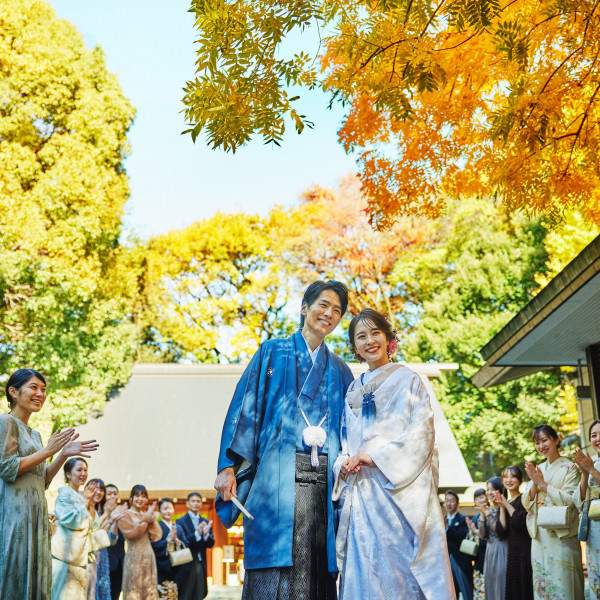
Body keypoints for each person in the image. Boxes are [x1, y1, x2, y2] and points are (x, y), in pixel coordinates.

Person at [215, 280, 354, 600]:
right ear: (304, 308)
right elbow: (244, 408)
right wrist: (228, 466)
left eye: (337, 310)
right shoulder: (271, 352)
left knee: (318, 571)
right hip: (276, 480)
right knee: (272, 575)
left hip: (322, 485)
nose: (329, 314)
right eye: (323, 304)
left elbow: (353, 429)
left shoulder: (340, 370)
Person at [333, 308, 454, 599]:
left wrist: (373, 456)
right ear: (355, 347)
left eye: (376, 332)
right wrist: (342, 463)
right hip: (362, 493)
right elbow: (344, 442)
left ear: (389, 339)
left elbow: (422, 435)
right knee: (364, 566)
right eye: (361, 336)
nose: (369, 340)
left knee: (399, 568)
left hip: (397, 491)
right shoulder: (353, 388)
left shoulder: (408, 380)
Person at [0, 368, 98, 600]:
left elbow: (41, 480)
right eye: (33, 387)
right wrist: (47, 451)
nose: (40, 394)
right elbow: (7, 468)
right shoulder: (6, 422)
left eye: (43, 389)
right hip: (15, 515)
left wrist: (62, 454)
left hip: (37, 513)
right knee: (14, 576)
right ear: (13, 392)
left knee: (35, 579)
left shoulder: (35, 434)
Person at [522, 424, 584, 599]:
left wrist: (543, 484)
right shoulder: (539, 468)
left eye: (544, 440)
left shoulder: (570, 467)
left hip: (562, 534)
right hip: (540, 535)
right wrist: (535, 482)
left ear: (557, 439)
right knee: (543, 584)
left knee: (564, 583)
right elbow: (527, 503)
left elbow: (572, 499)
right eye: (537, 442)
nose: (541, 446)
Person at [51, 458, 98, 600]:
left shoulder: (80, 496)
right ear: (68, 474)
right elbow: (68, 519)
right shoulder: (65, 494)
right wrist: (85, 501)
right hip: (66, 556)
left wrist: (90, 504)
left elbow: (93, 528)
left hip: (79, 556)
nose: (83, 473)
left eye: (85, 470)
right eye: (79, 470)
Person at [117, 484, 162, 600]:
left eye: (143, 496)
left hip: (149, 556)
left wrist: (150, 520)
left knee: (149, 591)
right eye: (137, 496)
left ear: (146, 499)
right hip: (134, 557)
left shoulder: (145, 514)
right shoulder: (125, 515)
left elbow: (157, 536)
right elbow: (132, 534)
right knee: (134, 590)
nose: (140, 499)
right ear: (131, 498)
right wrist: (146, 519)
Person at [495, 466, 533, 600]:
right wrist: (501, 507)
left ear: (521, 480)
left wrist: (506, 505)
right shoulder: (505, 502)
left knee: (525, 587)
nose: (509, 480)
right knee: (514, 588)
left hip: (525, 550)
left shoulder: (524, 499)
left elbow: (521, 523)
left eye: (513, 476)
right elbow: (501, 532)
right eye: (505, 477)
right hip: (512, 552)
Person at [573, 420, 600, 599]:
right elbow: (581, 499)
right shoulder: (595, 463)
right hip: (594, 532)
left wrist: (591, 469)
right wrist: (585, 472)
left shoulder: (594, 465)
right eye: (593, 435)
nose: (597, 439)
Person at [176, 492, 213, 600]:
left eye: (198, 501)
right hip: (187, 564)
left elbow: (211, 544)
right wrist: (197, 533)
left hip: (201, 564)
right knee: (186, 595)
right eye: (193, 501)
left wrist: (206, 535)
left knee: (200, 595)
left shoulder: (205, 521)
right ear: (187, 503)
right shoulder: (180, 521)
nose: (196, 503)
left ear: (201, 504)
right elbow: (185, 541)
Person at [477, 477, 508, 600]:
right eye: (487, 489)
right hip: (489, 551)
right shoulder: (486, 509)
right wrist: (482, 514)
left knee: (502, 584)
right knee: (490, 584)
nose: (489, 493)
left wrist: (487, 513)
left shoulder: (504, 508)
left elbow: (499, 531)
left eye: (493, 489)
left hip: (502, 549)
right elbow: (482, 535)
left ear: (500, 491)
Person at [153, 498, 189, 599]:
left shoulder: (178, 527)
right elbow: (153, 546)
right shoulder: (156, 526)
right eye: (164, 509)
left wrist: (177, 541)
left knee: (174, 594)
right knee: (162, 594)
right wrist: (167, 540)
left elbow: (186, 544)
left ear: (174, 510)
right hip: (161, 566)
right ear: (159, 511)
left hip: (176, 567)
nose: (168, 511)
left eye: (170, 508)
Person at [444, 490, 473, 600]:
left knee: (466, 590)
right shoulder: (442, 519)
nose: (449, 504)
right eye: (447, 501)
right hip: (445, 560)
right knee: (450, 592)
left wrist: (447, 527)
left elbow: (460, 537)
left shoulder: (463, 519)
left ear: (457, 503)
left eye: (452, 501)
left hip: (460, 560)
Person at [465, 489, 488, 600]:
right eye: (476, 498)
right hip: (479, 559)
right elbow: (472, 541)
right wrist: (470, 531)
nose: (479, 500)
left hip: (489, 556)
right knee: (480, 590)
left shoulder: (491, 514)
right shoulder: (474, 518)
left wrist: (476, 532)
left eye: (482, 497)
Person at [105, 484, 126, 600]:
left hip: (120, 563)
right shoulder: (101, 513)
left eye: (115, 493)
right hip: (105, 562)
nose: (113, 496)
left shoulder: (123, 514)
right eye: (109, 494)